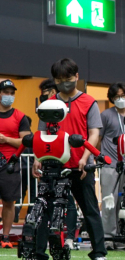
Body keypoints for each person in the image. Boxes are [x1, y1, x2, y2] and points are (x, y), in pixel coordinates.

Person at [33, 58, 108, 260]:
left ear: (76, 77)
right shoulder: (47, 105)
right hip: (53, 165)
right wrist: (37, 159)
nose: (64, 83)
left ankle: (99, 254)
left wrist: (85, 158)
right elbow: (42, 133)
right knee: (44, 210)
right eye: (59, 80)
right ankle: (39, 256)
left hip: (80, 166)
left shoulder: (89, 102)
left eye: (67, 79)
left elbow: (94, 134)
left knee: (90, 209)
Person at [37, 78, 78, 247]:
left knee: (66, 200)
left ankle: (68, 237)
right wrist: (36, 159)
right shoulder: (44, 112)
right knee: (44, 200)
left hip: (68, 160)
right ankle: (40, 244)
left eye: (46, 93)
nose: (44, 98)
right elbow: (39, 134)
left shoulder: (64, 109)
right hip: (48, 160)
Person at [99, 82, 125, 250]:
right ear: (112, 98)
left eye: (124, 96)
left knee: (124, 202)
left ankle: (121, 236)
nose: (121, 99)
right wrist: (101, 158)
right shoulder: (105, 115)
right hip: (110, 165)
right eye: (117, 96)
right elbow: (97, 138)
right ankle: (107, 237)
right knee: (109, 202)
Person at [0, 80, 31, 248]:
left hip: (10, 164)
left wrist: (6, 139)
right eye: (6, 92)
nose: (9, 96)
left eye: (12, 93)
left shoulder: (20, 116)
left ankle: (5, 237)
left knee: (9, 201)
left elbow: (26, 141)